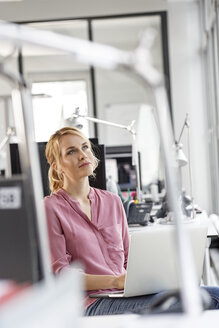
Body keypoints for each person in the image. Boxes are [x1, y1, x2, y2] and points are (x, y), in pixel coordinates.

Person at [44, 126, 219, 316]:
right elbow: (62, 275)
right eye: (71, 151)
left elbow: (129, 258)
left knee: (209, 294)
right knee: (198, 300)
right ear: (57, 166)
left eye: (85, 147)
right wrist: (115, 281)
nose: (82, 155)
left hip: (125, 295)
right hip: (91, 303)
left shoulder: (112, 201)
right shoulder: (51, 207)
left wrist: (149, 280)